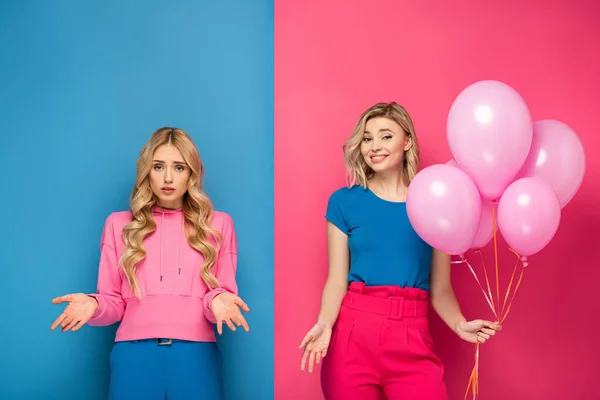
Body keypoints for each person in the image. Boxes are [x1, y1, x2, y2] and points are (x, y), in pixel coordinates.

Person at [298, 102, 502, 400]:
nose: (374, 146)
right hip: (352, 338)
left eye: (385, 136)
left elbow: (440, 287)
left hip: (412, 335)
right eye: (367, 138)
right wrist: (325, 323)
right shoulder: (344, 202)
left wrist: (460, 324)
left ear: (407, 141)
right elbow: (336, 279)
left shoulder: (434, 202)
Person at [50, 127, 250, 400]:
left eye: (179, 167)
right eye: (158, 166)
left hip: (196, 354)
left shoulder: (218, 224)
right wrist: (94, 304)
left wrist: (218, 299)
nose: (168, 177)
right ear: (147, 171)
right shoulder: (119, 225)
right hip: (133, 355)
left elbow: (223, 297)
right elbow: (113, 301)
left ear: (192, 173)